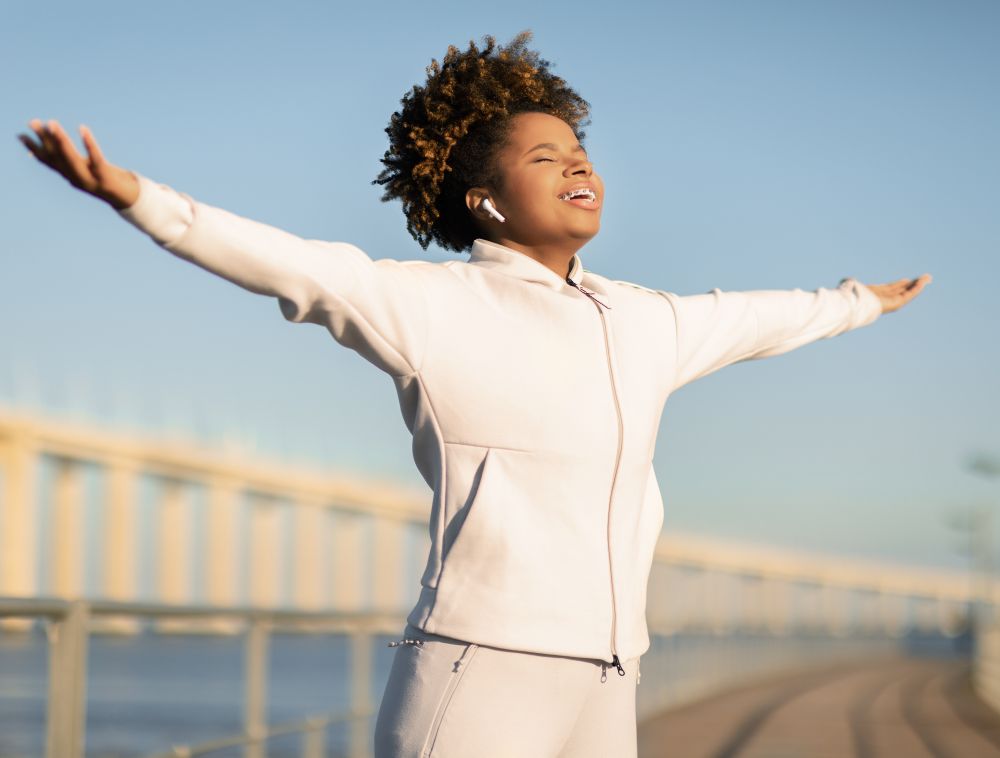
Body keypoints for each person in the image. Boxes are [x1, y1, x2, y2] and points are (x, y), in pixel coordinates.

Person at [19, 30, 930, 758]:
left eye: (580, 151)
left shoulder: (646, 319)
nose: (580, 168)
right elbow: (292, 266)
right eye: (545, 158)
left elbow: (759, 318)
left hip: (613, 674)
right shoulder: (431, 308)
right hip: (481, 667)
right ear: (484, 202)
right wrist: (139, 199)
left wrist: (857, 303)